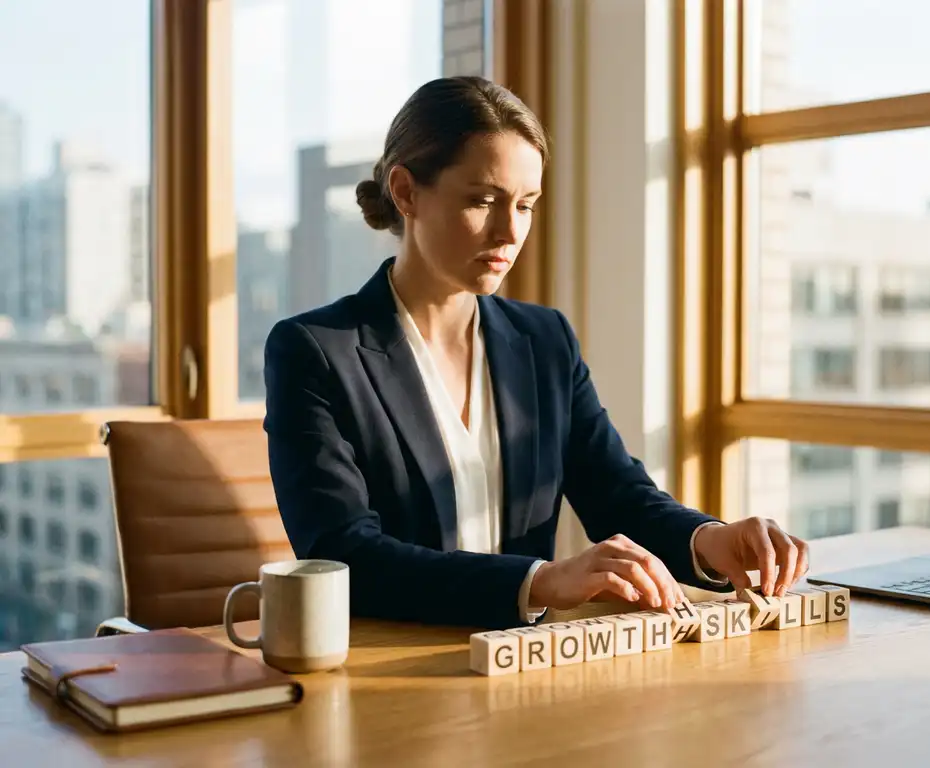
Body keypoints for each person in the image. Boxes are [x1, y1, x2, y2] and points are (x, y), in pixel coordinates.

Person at [263, 76, 810, 630]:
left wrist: (708, 539)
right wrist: (541, 581)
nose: (508, 232)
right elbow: (343, 553)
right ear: (405, 192)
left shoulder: (544, 341)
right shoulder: (315, 352)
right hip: (396, 667)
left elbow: (618, 494)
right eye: (483, 200)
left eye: (526, 205)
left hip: (522, 667)